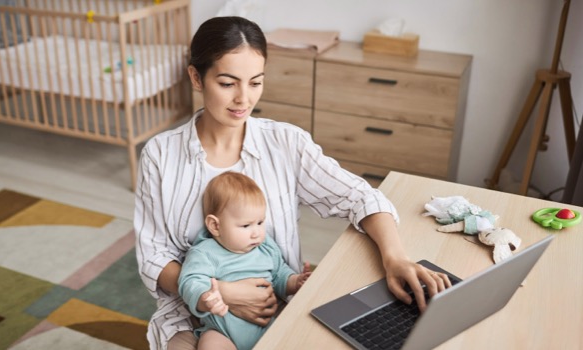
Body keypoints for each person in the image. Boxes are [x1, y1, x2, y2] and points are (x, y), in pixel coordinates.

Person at [134, 16, 451, 350]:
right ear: (196, 78)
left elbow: (360, 198)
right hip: (191, 313)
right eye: (228, 83)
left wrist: (395, 259)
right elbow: (153, 257)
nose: (244, 99)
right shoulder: (160, 155)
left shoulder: (286, 143)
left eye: (255, 82)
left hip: (276, 305)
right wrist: (223, 293)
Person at [178, 171, 311, 350]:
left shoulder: (265, 246)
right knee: (210, 345)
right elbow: (190, 281)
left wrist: (295, 281)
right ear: (215, 226)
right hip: (222, 332)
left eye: (260, 222)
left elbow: (279, 274)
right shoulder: (205, 253)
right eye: (246, 225)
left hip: (267, 326)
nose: (256, 232)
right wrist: (205, 298)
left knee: (299, 333)